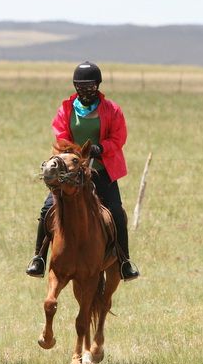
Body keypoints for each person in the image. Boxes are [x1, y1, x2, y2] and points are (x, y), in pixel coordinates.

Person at [26, 61, 140, 281]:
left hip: (102, 170)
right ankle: (38, 258)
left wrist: (100, 148)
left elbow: (119, 137)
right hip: (71, 172)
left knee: (116, 212)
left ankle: (125, 261)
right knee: (47, 208)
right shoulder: (66, 109)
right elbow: (60, 135)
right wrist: (75, 153)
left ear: (98, 85)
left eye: (89, 85)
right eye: (80, 85)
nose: (85, 90)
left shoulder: (112, 110)